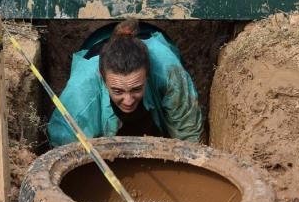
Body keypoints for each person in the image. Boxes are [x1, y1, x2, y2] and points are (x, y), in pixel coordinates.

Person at [48, 20, 203, 146]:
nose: (128, 101)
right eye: (118, 91)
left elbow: (187, 134)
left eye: (136, 89)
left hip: (152, 38)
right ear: (103, 79)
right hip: (95, 42)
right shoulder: (81, 94)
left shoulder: (168, 71)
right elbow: (62, 148)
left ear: (148, 75)